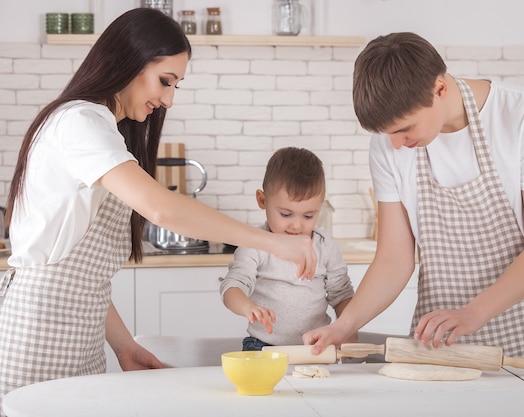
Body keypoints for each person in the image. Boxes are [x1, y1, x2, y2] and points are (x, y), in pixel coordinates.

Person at [0, 8, 316, 411]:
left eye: (176, 86)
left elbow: (82, 277)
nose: (167, 99)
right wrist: (273, 243)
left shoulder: (104, 131)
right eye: (165, 81)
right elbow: (162, 210)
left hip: (80, 337)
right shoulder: (80, 121)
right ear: (128, 61)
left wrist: (125, 346)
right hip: (36, 336)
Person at [303, 32, 524, 362]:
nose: (395, 144)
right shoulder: (388, 145)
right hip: (449, 331)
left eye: (405, 128)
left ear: (440, 89)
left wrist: (473, 313)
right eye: (388, 133)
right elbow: (394, 257)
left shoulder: (521, 116)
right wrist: (343, 326)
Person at [220, 147, 355, 350]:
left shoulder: (325, 245)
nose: (297, 225)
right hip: (263, 346)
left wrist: (349, 332)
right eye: (285, 214)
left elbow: (342, 294)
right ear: (262, 200)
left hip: (317, 346)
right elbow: (231, 288)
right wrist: (249, 307)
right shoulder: (255, 244)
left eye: (309, 216)